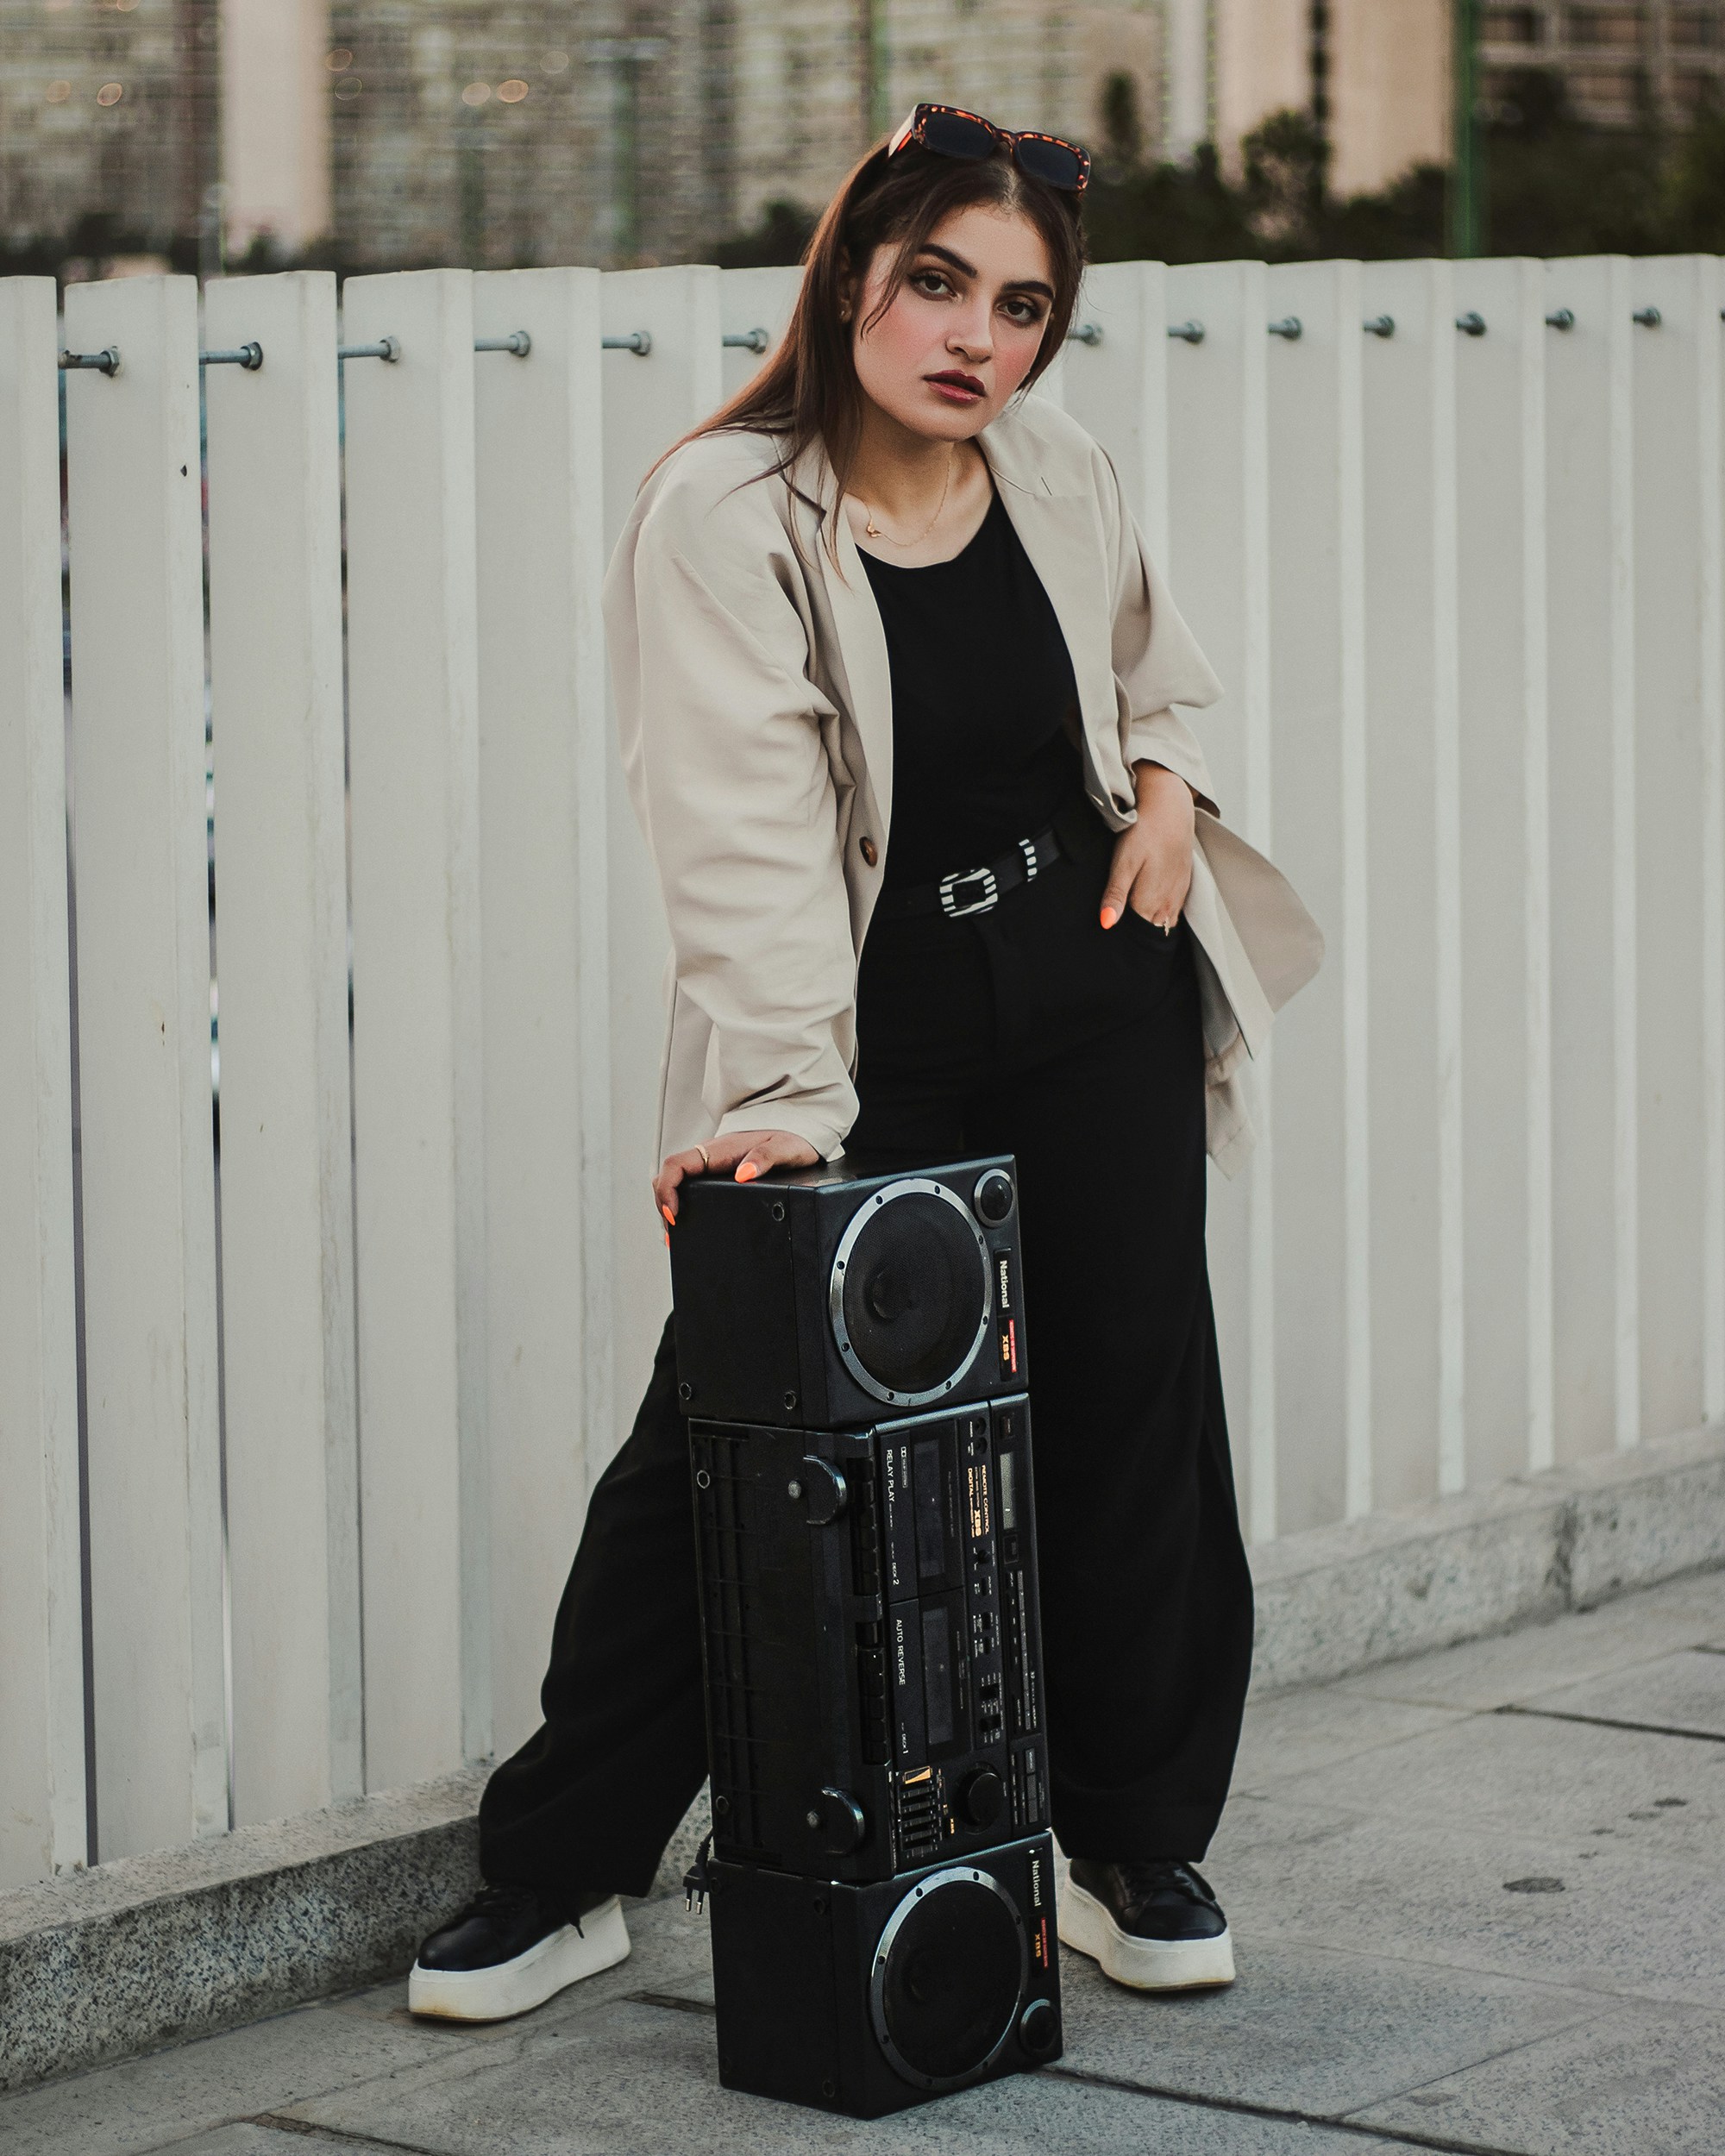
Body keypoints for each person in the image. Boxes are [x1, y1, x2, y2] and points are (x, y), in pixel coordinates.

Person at [406, 100, 1322, 2026]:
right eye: (936, 284)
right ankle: (562, 1867)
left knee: (1133, 1405)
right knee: (724, 1446)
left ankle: (1126, 1838)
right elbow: (738, 840)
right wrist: (780, 1113)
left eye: (1019, 306)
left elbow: (1157, 659)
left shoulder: (1050, 461)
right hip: (858, 1031)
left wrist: (1166, 794)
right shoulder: (727, 512)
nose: (974, 337)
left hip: (1094, 988)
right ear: (848, 275)